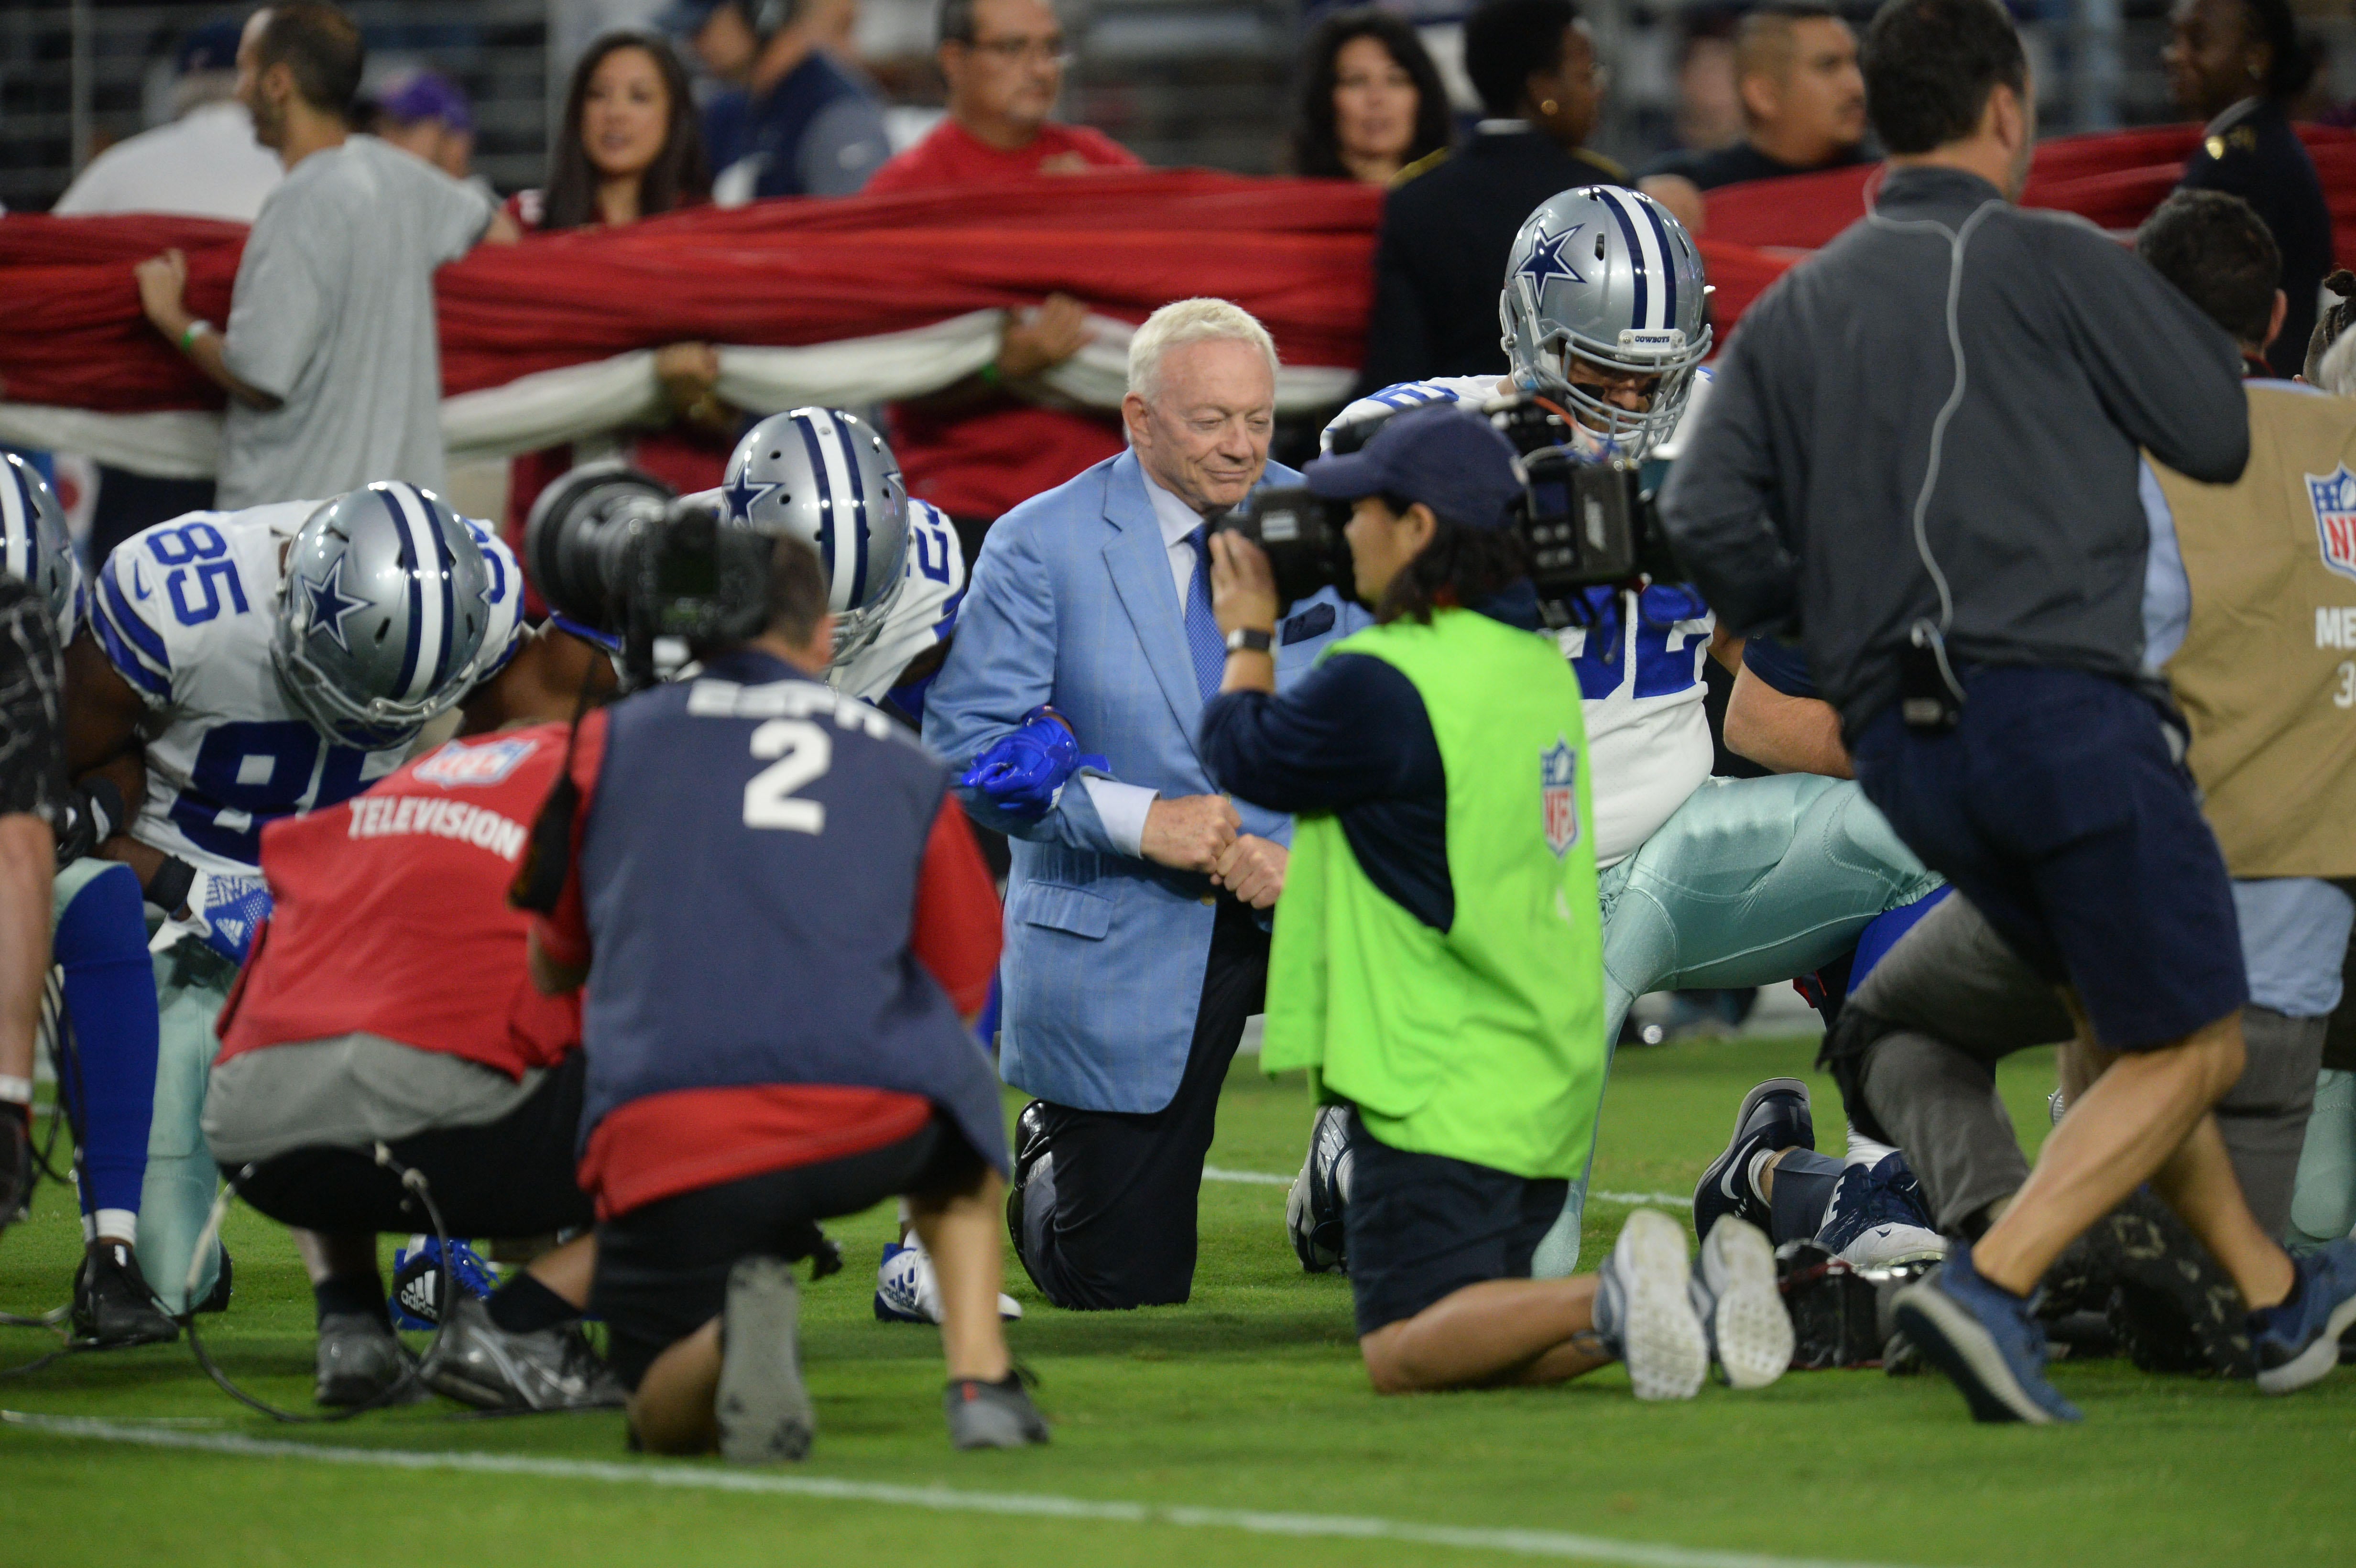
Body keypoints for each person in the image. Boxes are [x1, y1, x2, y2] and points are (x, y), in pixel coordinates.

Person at [1659, 0, 2356, 1423]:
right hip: (2066, 721)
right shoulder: (2054, 262)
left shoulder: (1801, 303)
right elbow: (2214, 427)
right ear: (2003, 112)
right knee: (2195, 1039)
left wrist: (1845, 628)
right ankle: (1994, 1284)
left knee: (2108, 1009)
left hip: (1916, 756)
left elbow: (1700, 516)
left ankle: (2275, 1298)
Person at [1303, 186, 1941, 1280]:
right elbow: (1342, 472)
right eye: (1602, 372)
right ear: (1529, 339)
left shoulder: (1736, 426)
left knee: (1927, 826)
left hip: (1676, 849)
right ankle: (1366, 1142)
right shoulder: (1433, 426)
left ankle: (1870, 1178)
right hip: (1506, 893)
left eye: (1659, 373)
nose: (1636, 399)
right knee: (1516, 1270)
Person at [1198, 399, 1796, 1397]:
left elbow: (1242, 750)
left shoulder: (1386, 680)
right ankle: (1680, 1300)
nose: (1343, 534)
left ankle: (1617, 1289)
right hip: (1540, 1059)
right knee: (1480, 1336)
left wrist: (1249, 631)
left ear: (1418, 528)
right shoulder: (1531, 667)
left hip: (1438, 1066)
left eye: (1361, 512)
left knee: (1401, 1343)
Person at [523, 534, 1041, 1458]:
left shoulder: (603, 745)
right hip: (868, 1113)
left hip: (669, 1124)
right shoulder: (899, 758)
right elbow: (967, 969)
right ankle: (980, 1376)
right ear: (822, 636)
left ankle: (724, 1342)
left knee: (657, 1414)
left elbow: (553, 961)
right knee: (960, 1119)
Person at [922, 299, 1362, 1311]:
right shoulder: (1041, 543)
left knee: (1438, 1240)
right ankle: (1049, 1158)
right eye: (1212, 420)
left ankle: (1353, 1153)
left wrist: (1318, 853)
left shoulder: (1331, 523)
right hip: (1132, 915)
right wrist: (1139, 819)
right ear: (1139, 419)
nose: (1242, 445)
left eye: (1258, 419)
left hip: (1318, 901)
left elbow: (1393, 717)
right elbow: (962, 747)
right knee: (1120, 1280)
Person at [63, 483, 524, 1313]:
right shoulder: (181, 601)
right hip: (186, 928)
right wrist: (186, 885)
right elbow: (56, 792)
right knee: (168, 1286)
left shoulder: (479, 597)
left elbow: (517, 771)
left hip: (361, 921)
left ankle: (436, 1243)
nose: (372, 729)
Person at [203, 630, 625, 1411]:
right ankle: (520, 1322)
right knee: (725, 1124)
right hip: (448, 1119)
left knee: (331, 1007)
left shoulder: (414, 776)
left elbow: (272, 961)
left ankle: (350, 1324)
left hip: (252, 1130)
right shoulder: (612, 775)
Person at [131, 3, 522, 513]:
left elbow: (260, 377)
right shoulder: (399, 176)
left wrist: (174, 319)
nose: (238, 90)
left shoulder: (298, 205)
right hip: (404, 526)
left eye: (247, 70)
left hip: (296, 540)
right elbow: (502, 232)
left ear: (278, 84)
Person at [868, 0, 1143, 559]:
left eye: (1050, 48)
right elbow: (891, 372)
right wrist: (1002, 368)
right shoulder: (903, 197)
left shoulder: (1102, 173)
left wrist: (1103, 216)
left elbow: (1177, 306)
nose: (1041, 69)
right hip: (963, 511)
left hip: (1105, 503)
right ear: (954, 60)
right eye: (1013, 48)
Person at [53, 17, 284, 564]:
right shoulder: (300, 172)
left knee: (129, 625)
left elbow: (51, 273)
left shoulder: (120, 167)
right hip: (272, 453)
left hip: (143, 448)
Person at [503, 33, 733, 565]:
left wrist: (689, 395)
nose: (615, 114)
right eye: (598, 94)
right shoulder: (525, 227)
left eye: (638, 97)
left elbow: (733, 404)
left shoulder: (710, 237)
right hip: (550, 522)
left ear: (673, 115)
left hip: (682, 519)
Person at [1354, 0, 1626, 393]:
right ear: (1542, 90)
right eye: (1587, 76)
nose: (1597, 93)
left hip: (1452, 436)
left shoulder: (1415, 199)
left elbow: (1398, 369)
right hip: (1586, 433)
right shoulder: (1609, 196)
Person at [2168, 0, 2333, 380]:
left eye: (2197, 41)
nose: (2175, 56)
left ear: (2256, 55)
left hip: (2249, 403)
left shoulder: (2240, 166)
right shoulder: (2250, 147)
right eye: (2173, 37)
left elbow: (2200, 319)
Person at [1638, 2, 1869, 235]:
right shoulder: (1686, 190)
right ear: (1764, 96)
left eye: (1855, 63)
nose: (1857, 87)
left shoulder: (1888, 185)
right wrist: (1636, 199)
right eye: (1829, 67)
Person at [692, 0, 889, 202]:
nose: (694, 44)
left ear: (762, 14)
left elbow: (852, 226)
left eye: (702, 27)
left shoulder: (839, 116)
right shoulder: (729, 109)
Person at [1288, 9, 1453, 185]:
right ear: (1323, 99)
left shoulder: (1458, 201)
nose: (1377, 98)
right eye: (1356, 81)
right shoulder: (1291, 206)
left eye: (1395, 80)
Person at [367, 69, 480, 187]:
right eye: (378, 129)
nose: (385, 139)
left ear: (454, 140)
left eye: (404, 127)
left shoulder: (484, 204)